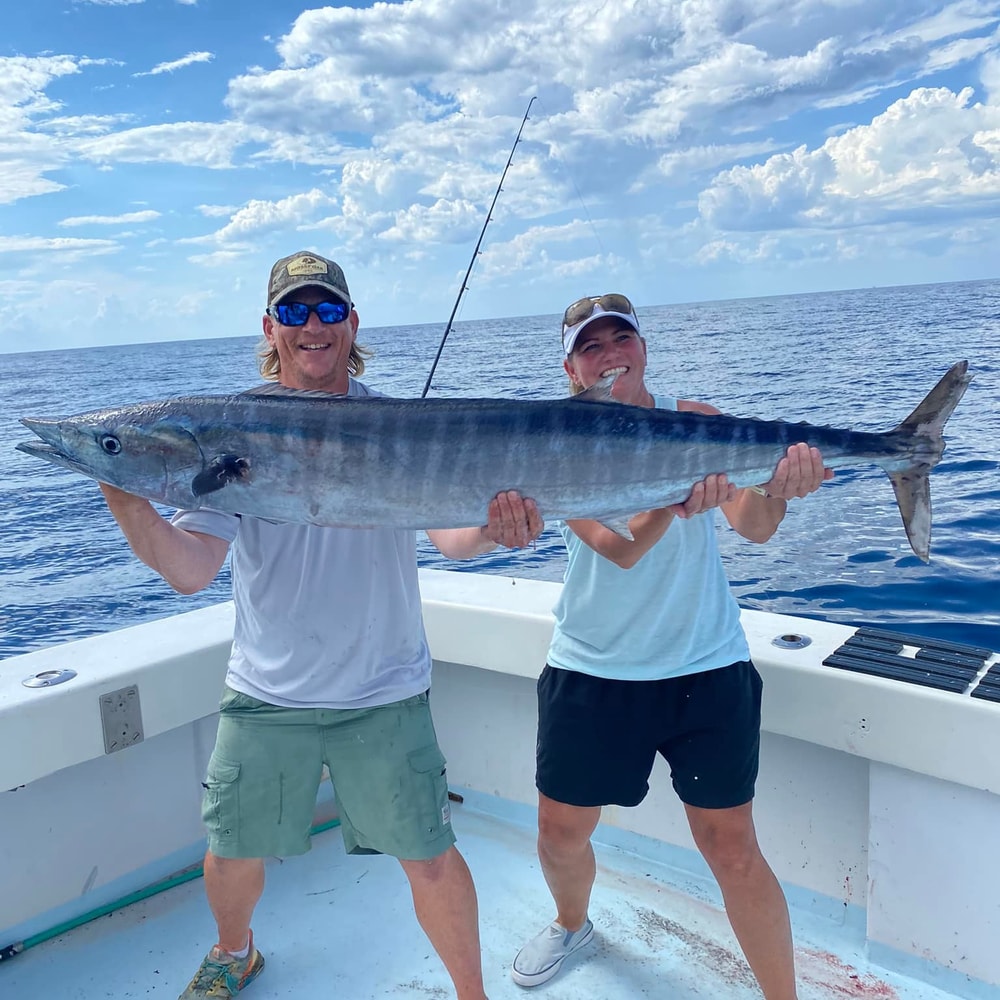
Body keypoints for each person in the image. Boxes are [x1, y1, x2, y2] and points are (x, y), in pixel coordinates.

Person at [98, 250, 542, 1000]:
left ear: (352, 323)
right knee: (230, 852)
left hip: (385, 687)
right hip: (268, 691)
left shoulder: (396, 425)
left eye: (329, 310)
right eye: (296, 312)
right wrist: (127, 497)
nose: (313, 326)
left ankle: (473, 994)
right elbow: (190, 569)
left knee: (430, 857)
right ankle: (234, 952)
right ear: (270, 328)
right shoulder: (231, 432)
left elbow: (453, 537)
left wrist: (497, 530)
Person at [510, 293, 832, 998]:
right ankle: (573, 924)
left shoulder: (702, 423)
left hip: (706, 665)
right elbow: (618, 548)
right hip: (592, 666)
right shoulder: (551, 442)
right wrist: (681, 499)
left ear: (644, 348)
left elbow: (757, 525)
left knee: (732, 849)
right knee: (560, 831)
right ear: (570, 369)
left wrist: (780, 485)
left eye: (621, 337)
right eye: (591, 346)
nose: (610, 353)